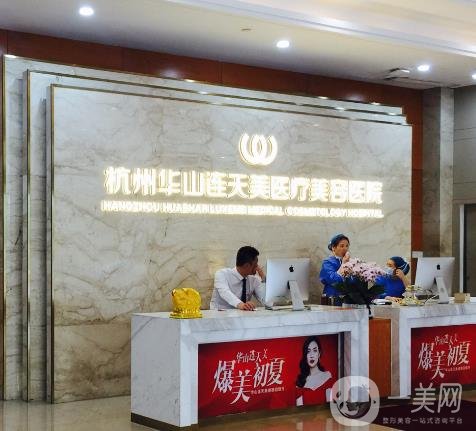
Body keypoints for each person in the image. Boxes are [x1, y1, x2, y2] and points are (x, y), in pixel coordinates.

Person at [210, 246, 266, 311]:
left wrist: (263, 278)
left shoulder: (254, 279)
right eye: (255, 264)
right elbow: (225, 292)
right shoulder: (222, 274)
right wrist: (241, 305)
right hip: (220, 315)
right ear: (247, 265)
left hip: (243, 315)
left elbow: (266, 302)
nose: (257, 267)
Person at [295, 336, 333, 406]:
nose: (311, 355)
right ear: (305, 355)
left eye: (315, 350)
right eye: (308, 351)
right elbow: (300, 410)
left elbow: (329, 407)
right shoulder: (300, 382)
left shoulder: (327, 376)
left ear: (319, 354)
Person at [319, 234, 350, 299]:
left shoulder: (350, 262)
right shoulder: (328, 262)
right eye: (342, 246)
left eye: (347, 246)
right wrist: (344, 264)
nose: (345, 248)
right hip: (333, 296)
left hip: (348, 297)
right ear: (333, 248)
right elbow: (333, 280)